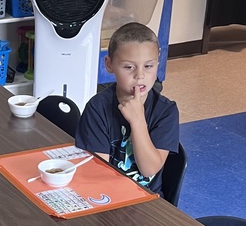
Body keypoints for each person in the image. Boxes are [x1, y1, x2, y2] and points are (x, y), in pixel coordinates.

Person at [75, 22, 179, 194]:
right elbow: (98, 172)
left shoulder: (166, 111)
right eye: (129, 67)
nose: (140, 75)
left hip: (146, 199)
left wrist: (138, 121)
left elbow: (149, 169)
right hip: (106, 194)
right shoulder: (97, 108)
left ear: (158, 63)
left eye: (148, 66)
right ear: (109, 65)